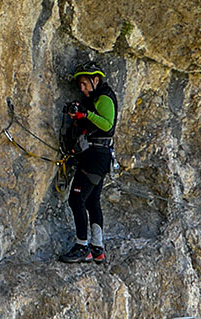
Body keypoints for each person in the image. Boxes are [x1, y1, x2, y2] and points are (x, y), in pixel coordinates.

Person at [58, 61, 118, 264]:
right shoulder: (94, 99)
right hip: (95, 155)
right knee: (92, 201)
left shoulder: (104, 97)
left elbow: (107, 125)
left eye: (84, 84)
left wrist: (85, 114)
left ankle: (82, 246)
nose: (82, 89)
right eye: (79, 86)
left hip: (96, 157)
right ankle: (97, 247)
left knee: (76, 200)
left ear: (96, 80)